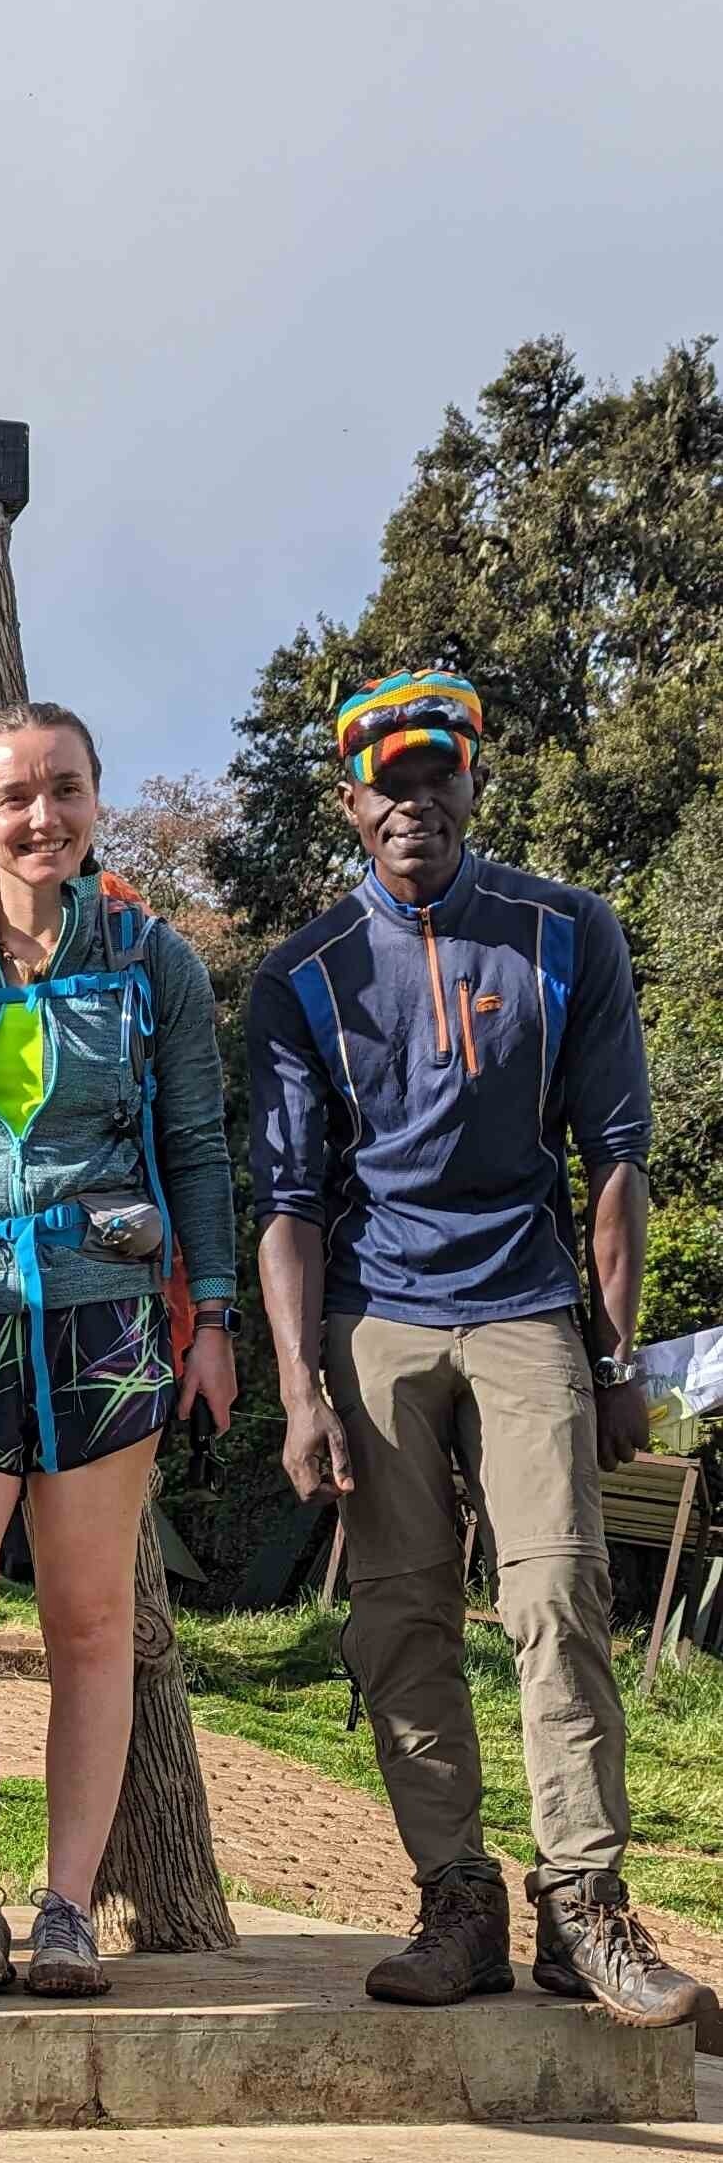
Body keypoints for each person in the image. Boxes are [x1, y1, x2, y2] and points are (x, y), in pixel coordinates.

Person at [248, 669, 701, 2025]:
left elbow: (615, 1160)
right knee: (399, 1616)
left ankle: (585, 1906)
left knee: (560, 1593)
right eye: (386, 784)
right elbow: (288, 1203)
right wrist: (299, 1390)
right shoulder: (303, 973)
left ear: (472, 782)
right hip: (375, 1313)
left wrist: (614, 1364)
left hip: (526, 1306)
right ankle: (456, 1901)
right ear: (350, 805)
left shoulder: (566, 931)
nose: (413, 803)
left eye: (435, 775)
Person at [0, 702, 238, 1999]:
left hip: (106, 1317)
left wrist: (216, 1319)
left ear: (95, 797)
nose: (43, 817)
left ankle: (67, 1906)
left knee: (88, 1622)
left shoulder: (152, 960)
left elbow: (197, 1148)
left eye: (64, 789)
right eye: (14, 796)